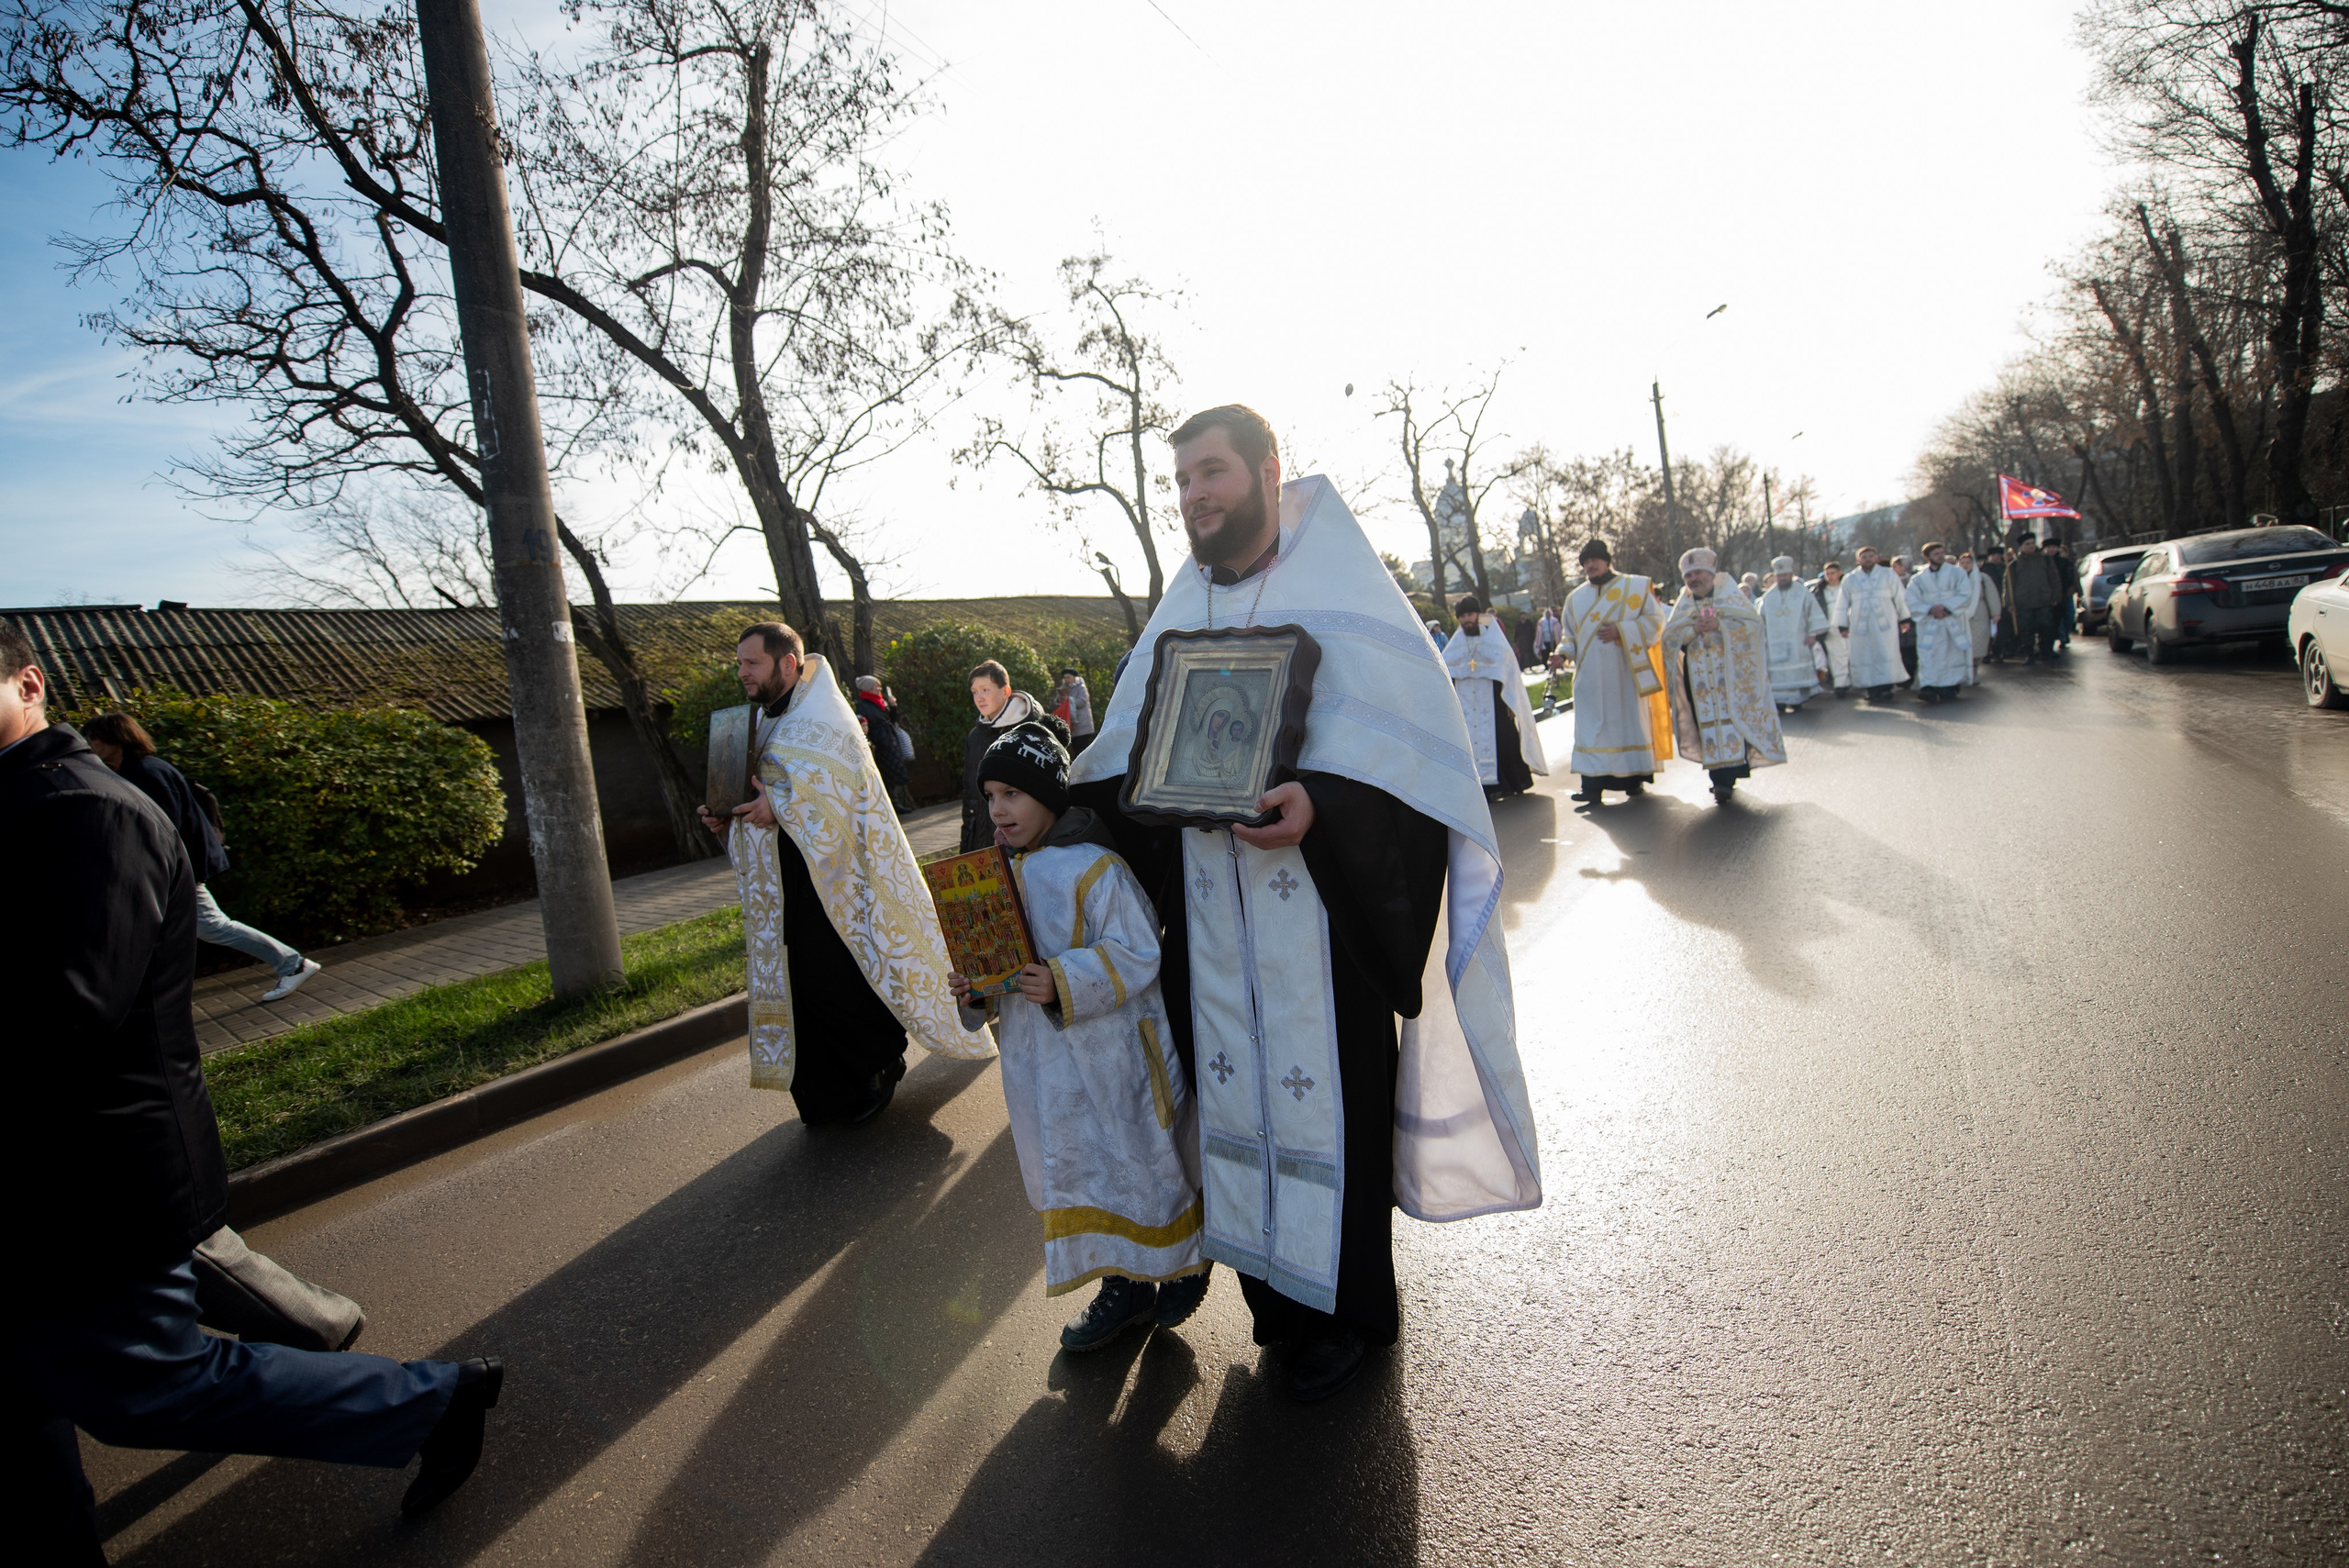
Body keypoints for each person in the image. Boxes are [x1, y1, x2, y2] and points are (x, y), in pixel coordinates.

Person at [1067, 406, 1541, 1403]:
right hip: (1210, 918)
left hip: (1322, 918)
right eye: (1183, 481)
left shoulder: (1343, 588)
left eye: (1211, 473)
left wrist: (1322, 804)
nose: (1195, 495)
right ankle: (1275, 1304)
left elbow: (1419, 770)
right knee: (1232, 1091)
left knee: (1328, 1098)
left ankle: (1351, 1310)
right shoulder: (1181, 602)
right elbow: (1123, 757)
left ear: (1266, 470)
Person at [0, 622, 502, 1561]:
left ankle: (429, 1399)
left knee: (145, 1384)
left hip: (92, 1175)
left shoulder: (80, 812)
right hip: (40, 1182)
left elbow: (62, 1016)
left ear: (31, 683)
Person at [948, 723, 1208, 1353]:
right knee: (1084, 1172)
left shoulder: (1096, 866)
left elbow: (1138, 947)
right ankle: (1120, 1287)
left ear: (1050, 797)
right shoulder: (992, 876)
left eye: (1013, 792)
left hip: (1113, 1058)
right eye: (990, 795)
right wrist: (975, 986)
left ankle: (1181, 1264)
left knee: (1139, 1162)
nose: (999, 808)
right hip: (1045, 1069)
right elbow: (992, 965)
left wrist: (1063, 977)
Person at [697, 623, 991, 1126]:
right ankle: (824, 1094)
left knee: (837, 977)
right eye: (740, 663)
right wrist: (727, 818)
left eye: (752, 663)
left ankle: (878, 1064)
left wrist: (782, 806)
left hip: (837, 885)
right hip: (785, 884)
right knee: (800, 988)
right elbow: (759, 792)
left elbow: (845, 793)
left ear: (786, 664)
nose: (742, 672)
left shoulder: (827, 716)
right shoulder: (762, 723)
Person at [78, 712, 321, 1003]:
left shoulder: (148, 774)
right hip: (168, 868)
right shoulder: (133, 771)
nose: (88, 744)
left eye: (92, 738)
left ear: (115, 739)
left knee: (213, 926)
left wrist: (158, 872)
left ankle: (293, 964)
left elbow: (165, 829)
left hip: (177, 868)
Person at [1661, 549, 1787, 804]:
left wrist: (1722, 625)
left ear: (1710, 574)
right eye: (1689, 575)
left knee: (1733, 720)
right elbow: (1670, 638)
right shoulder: (1684, 603)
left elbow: (1753, 626)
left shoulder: (1730, 596)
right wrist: (1693, 629)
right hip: (1699, 682)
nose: (1694, 579)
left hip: (1732, 677)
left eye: (1698, 573)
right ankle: (1719, 780)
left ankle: (1732, 773)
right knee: (1706, 725)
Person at [1556, 537, 1671, 805]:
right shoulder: (1575, 599)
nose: (1590, 565)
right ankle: (1591, 788)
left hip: (1625, 677)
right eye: (1585, 562)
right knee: (1590, 731)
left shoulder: (1635, 587)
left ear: (1607, 561)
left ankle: (1633, 781)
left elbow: (1656, 622)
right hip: (1590, 680)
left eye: (1594, 560)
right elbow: (1570, 637)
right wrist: (1561, 654)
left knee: (1627, 727)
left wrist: (1622, 629)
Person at [1443, 595, 1545, 800]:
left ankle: (1513, 783)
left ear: (1478, 615)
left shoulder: (1494, 640)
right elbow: (1447, 673)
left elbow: (1509, 672)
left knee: (1503, 741)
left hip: (1495, 699)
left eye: (1470, 614)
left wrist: (1510, 700)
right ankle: (1481, 788)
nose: (1466, 620)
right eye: (1462, 616)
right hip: (1467, 703)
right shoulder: (1455, 645)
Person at [961, 662, 1043, 852]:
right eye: (974, 692)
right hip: (980, 835)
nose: (979, 697)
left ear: (1005, 691)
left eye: (985, 689)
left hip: (1023, 841)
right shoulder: (975, 736)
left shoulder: (1029, 730)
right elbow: (969, 792)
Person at [1755, 555, 1829, 712]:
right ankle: (1779, 702)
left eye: (1785, 575)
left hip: (1798, 640)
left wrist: (1812, 634)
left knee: (1797, 672)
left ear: (1791, 574)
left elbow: (1813, 613)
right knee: (1777, 674)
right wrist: (1761, 638)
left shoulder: (1803, 593)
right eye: (1779, 576)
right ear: (1775, 576)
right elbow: (1760, 619)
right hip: (1774, 643)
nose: (1782, 578)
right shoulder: (1768, 597)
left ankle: (1797, 701)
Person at [1836, 545, 1910, 700]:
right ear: (1858, 560)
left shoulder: (1888, 574)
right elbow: (1842, 603)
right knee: (1864, 654)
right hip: (1860, 625)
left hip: (1885, 622)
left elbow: (1900, 597)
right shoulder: (1850, 579)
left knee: (1886, 651)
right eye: (1864, 557)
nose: (1868, 559)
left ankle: (1886, 687)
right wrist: (1842, 625)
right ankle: (1871, 688)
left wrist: (1905, 618)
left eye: (1871, 556)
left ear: (1876, 558)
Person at [1904, 541, 1974, 703]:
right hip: (1930, 622)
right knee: (1929, 654)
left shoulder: (1957, 573)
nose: (1941, 556)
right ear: (1927, 557)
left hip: (1951, 620)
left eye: (1942, 553)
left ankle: (1950, 687)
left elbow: (1966, 594)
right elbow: (1911, 599)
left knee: (1951, 653)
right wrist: (1930, 609)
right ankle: (1929, 686)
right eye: (1936, 554)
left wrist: (1947, 608)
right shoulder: (1918, 579)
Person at [852, 675, 915, 812]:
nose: (879, 689)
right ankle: (891, 804)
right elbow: (862, 724)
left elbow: (892, 720)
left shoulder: (881, 702)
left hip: (890, 740)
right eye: (876, 687)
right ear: (869, 688)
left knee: (892, 772)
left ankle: (895, 803)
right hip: (879, 742)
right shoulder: (863, 705)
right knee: (885, 774)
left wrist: (893, 707)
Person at [2004, 534, 2068, 663]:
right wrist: (2009, 603)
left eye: (2033, 543)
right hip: (2023, 603)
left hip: (2043, 600)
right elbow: (2008, 585)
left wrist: (2056, 596)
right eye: (2027, 544)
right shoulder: (2014, 565)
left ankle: (2045, 652)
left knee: (2046, 627)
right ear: (2021, 546)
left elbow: (2054, 579)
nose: (2031, 546)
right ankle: (2030, 654)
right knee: (2026, 629)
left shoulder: (2045, 560)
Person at [1957, 550, 2000, 684]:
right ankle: (1962, 673)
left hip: (1979, 614)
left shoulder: (1982, 578)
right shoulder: (1955, 578)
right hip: (1960, 615)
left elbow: (1992, 595)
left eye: (1968, 562)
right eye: (1962, 563)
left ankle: (1974, 672)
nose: (1965, 565)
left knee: (1977, 646)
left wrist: (1995, 613)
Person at [1811, 561, 1853, 696]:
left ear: (1839, 573)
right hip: (1831, 629)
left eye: (1833, 573)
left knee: (1851, 654)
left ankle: (1855, 680)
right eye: (1827, 574)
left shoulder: (1846, 588)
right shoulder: (1819, 592)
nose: (1830, 576)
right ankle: (1841, 684)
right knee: (1836, 657)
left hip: (1849, 627)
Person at [1980, 545, 2016, 662]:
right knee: (1987, 630)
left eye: (1997, 555)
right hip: (1987, 602)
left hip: (2003, 602)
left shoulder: (2007, 568)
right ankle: (1986, 652)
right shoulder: (1984, 569)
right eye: (1993, 556)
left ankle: (1998, 651)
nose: (1995, 558)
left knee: (2003, 630)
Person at [1052, 667, 1097, 755]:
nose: (1066, 680)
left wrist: (1068, 700)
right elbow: (1055, 703)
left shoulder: (1081, 688)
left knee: (1082, 749)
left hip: (1082, 724)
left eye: (1068, 677)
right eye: (1065, 678)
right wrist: (1059, 700)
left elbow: (1082, 701)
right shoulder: (1063, 688)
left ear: (1074, 677)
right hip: (1070, 725)